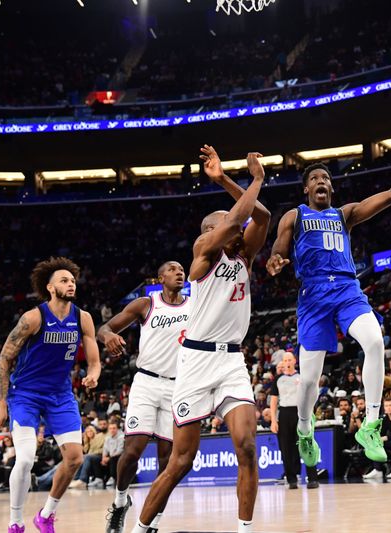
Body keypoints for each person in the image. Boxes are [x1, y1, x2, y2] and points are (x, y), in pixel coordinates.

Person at [266, 137, 391, 469]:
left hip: (347, 290)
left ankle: (370, 425)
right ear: (306, 190)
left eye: (325, 179)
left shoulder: (345, 214)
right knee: (310, 379)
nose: (321, 182)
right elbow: (279, 247)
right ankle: (305, 430)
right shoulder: (295, 215)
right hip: (313, 297)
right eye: (314, 179)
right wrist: (276, 260)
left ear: (332, 189)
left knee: (374, 342)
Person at [131, 149, 270, 533]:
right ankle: (140, 528)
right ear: (210, 232)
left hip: (231, 363)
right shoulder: (202, 255)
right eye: (225, 222)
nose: (234, 225)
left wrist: (229, 181)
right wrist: (253, 180)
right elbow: (242, 214)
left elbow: (262, 217)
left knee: (246, 446)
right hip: (194, 363)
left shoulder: (246, 257)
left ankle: (244, 529)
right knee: (181, 461)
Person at [0, 257, 101, 533]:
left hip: (60, 394)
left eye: (73, 280)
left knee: (75, 457)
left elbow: (95, 361)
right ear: (51, 288)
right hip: (26, 394)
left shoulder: (82, 317)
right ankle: (16, 521)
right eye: (64, 280)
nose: (71, 284)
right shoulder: (33, 317)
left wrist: (93, 376)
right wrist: (1, 403)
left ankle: (46, 514)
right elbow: (4, 360)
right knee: (26, 458)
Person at [99, 260, 190, 533]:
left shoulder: (194, 306)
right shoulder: (146, 304)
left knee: (167, 462)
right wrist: (108, 338)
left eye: (182, 269)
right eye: (173, 269)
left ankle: (153, 523)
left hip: (178, 387)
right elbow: (106, 328)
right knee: (132, 452)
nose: (179, 272)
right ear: (160, 278)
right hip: (147, 383)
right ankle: (119, 503)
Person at [270, 352, 318, 490]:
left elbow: (310, 395)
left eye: (290, 359)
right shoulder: (278, 379)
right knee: (286, 448)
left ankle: (313, 478)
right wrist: (274, 420)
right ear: (283, 363)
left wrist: (310, 414)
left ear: (295, 361)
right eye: (285, 360)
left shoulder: (302, 377)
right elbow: (273, 401)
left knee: (306, 444)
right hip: (284, 413)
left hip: (301, 412)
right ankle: (291, 479)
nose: (288, 362)